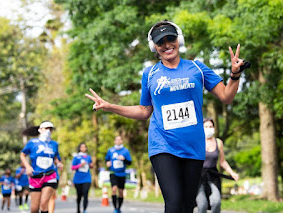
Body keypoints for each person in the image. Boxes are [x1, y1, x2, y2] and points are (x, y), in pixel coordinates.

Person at [85, 20, 246, 213]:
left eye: (171, 38)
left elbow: (226, 97)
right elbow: (145, 111)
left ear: (179, 40)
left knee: (187, 206)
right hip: (163, 145)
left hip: (194, 147)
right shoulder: (150, 73)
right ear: (154, 47)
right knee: (174, 202)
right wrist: (110, 106)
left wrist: (235, 75)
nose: (167, 44)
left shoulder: (197, 68)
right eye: (161, 42)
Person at [195, 118, 239, 213]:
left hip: (213, 175)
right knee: (202, 205)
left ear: (214, 128)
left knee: (216, 201)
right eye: (206, 127)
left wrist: (232, 173)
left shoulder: (218, 142)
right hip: (198, 177)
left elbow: (222, 161)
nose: (208, 129)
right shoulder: (197, 141)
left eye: (210, 127)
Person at [20, 121, 63, 213]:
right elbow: (23, 155)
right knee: (34, 209)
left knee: (43, 205)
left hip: (49, 175)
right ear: (40, 130)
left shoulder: (54, 144)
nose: (48, 131)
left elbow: (56, 157)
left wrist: (58, 163)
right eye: (46, 128)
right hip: (35, 175)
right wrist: (27, 167)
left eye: (50, 129)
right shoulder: (32, 142)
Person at [105, 136, 132, 213]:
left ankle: (119, 207)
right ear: (114, 141)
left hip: (122, 174)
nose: (118, 141)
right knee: (113, 189)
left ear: (122, 141)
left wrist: (124, 159)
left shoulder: (125, 151)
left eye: (120, 139)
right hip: (113, 173)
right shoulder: (110, 150)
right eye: (116, 139)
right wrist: (107, 163)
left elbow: (129, 162)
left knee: (120, 192)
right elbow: (107, 159)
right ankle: (115, 208)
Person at [72, 142, 93, 213]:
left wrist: (91, 165)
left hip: (87, 178)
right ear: (80, 148)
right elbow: (72, 167)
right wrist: (80, 165)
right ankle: (78, 208)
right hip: (78, 179)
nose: (83, 148)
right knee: (79, 195)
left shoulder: (88, 157)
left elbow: (91, 166)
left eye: (85, 147)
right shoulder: (76, 157)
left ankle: (85, 210)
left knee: (85, 193)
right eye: (82, 147)